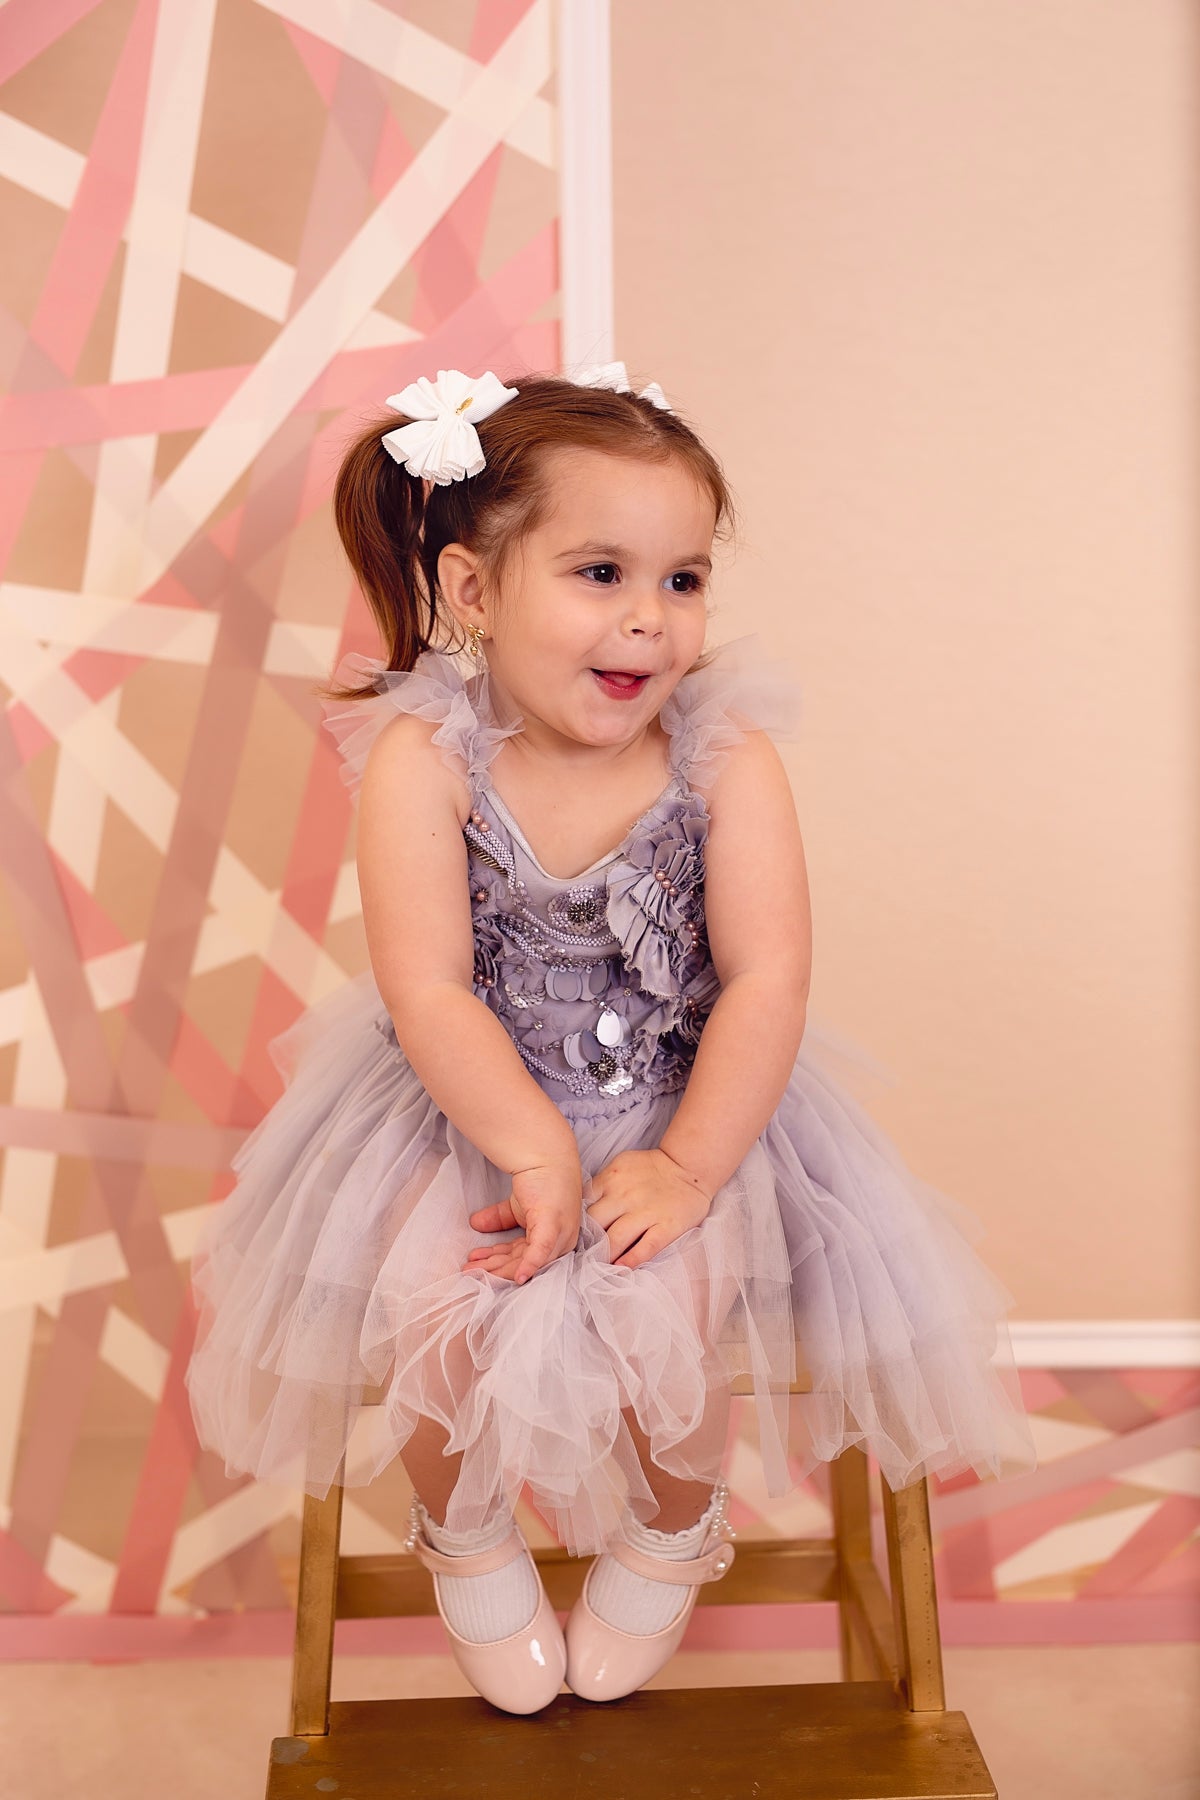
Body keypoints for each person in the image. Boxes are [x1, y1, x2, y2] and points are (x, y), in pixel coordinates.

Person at [184, 363, 1036, 1715]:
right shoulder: (425, 761)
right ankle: (466, 1532)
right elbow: (430, 990)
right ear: (473, 590)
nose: (650, 617)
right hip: (469, 1105)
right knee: (434, 1303)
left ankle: (670, 1534)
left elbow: (766, 979)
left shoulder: (725, 764)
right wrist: (528, 1148)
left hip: (685, 1105)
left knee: (668, 1314)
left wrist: (689, 1166)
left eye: (683, 580)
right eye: (600, 573)